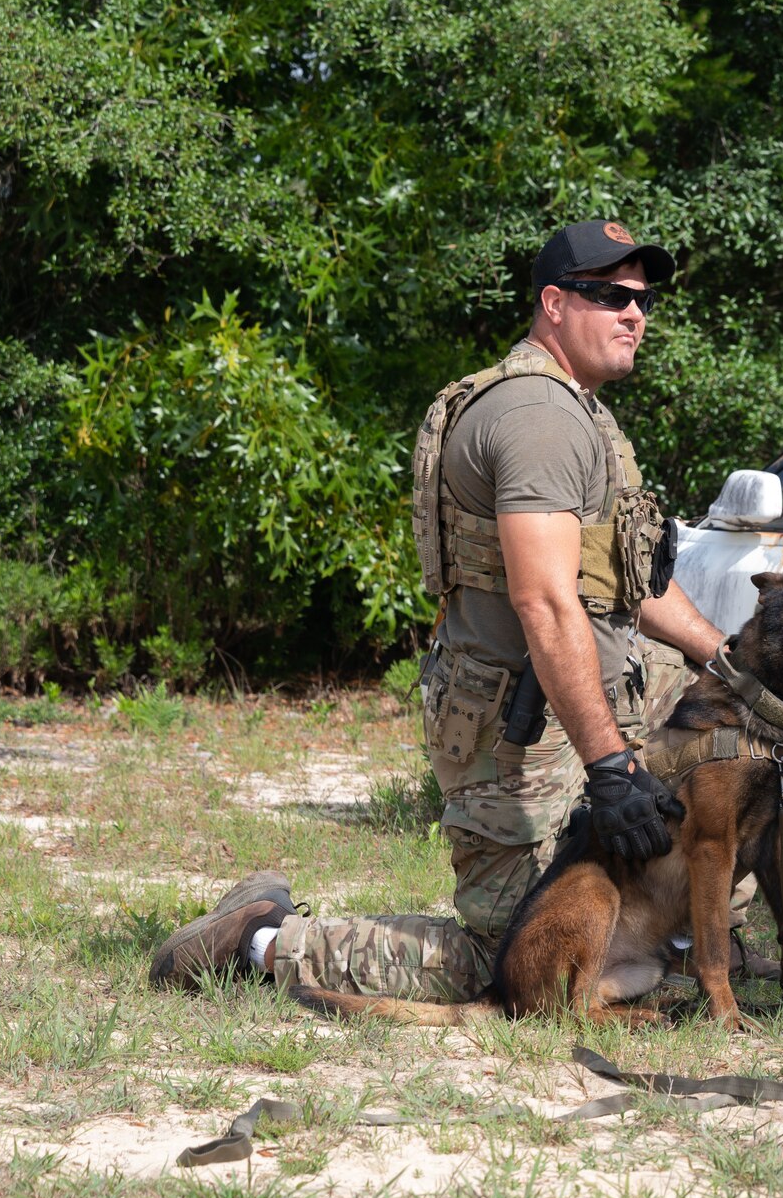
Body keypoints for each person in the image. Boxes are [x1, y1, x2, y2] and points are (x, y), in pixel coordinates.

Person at [149, 220, 730, 999]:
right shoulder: (537, 416)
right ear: (553, 304)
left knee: (721, 761)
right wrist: (613, 769)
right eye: (610, 295)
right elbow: (546, 601)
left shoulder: (582, 410)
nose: (636, 313)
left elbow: (624, 578)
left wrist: (724, 662)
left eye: (643, 298)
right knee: (518, 964)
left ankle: (678, 940)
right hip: (517, 731)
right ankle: (257, 940)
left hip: (579, 704)